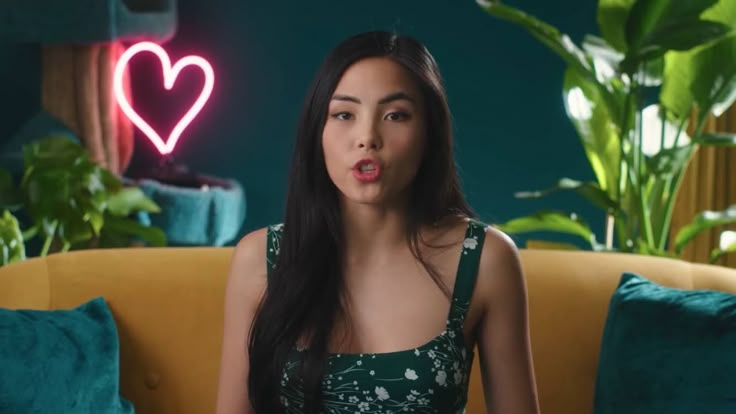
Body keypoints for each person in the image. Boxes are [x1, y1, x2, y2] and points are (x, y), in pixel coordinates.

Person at [216, 31, 540, 414]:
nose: (367, 138)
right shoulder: (262, 258)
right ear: (316, 131)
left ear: (429, 134)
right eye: (344, 114)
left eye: (395, 115)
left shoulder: (484, 259)